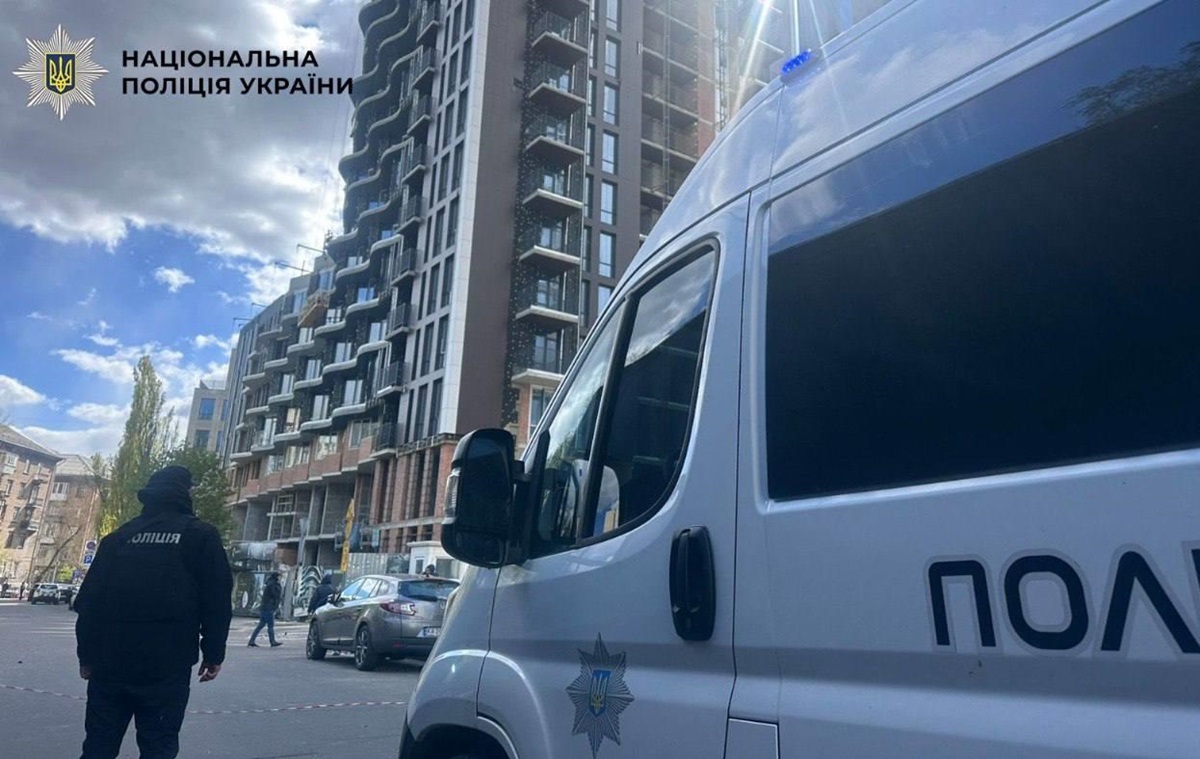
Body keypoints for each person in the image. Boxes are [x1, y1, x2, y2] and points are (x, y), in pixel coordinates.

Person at [74, 465, 233, 759]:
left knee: (98, 746)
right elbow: (217, 601)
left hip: (110, 663)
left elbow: (89, 604)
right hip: (167, 666)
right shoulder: (199, 536)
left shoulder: (118, 538)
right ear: (186, 493)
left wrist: (87, 656)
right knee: (158, 747)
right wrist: (213, 654)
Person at [248, 572, 283, 647]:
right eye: (279, 577)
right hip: (268, 607)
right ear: (276, 577)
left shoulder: (269, 583)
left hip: (264, 607)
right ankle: (272, 641)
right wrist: (279, 587)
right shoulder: (273, 585)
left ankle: (251, 640)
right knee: (270, 625)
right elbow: (275, 595)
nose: (280, 579)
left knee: (261, 625)